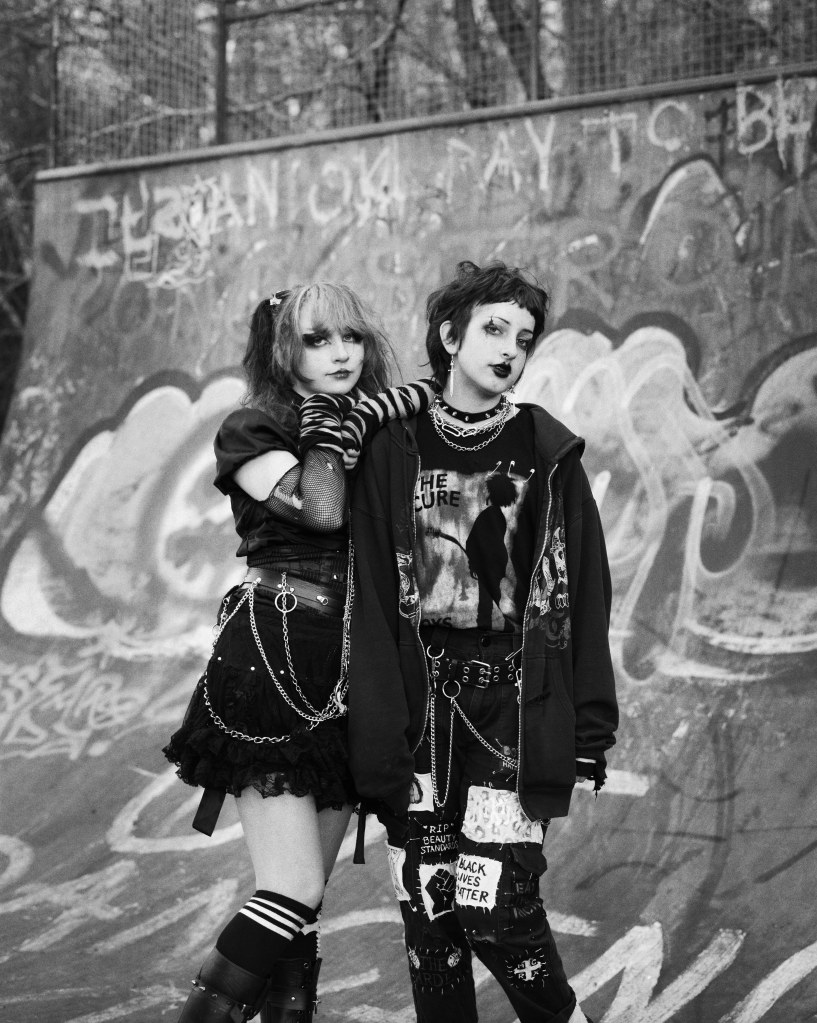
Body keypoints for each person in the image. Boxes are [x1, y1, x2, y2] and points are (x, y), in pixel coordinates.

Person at [347, 261, 618, 1023]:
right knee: (430, 925)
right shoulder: (393, 445)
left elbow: (579, 600)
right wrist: (374, 735)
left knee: (497, 908)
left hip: (509, 712)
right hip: (418, 717)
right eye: (493, 329)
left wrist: (586, 729)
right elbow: (368, 597)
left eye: (523, 338)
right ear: (449, 336)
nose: (508, 349)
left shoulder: (544, 449)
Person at [163, 282, 432, 1023]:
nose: (342, 352)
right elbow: (322, 510)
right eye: (318, 340)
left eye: (350, 336)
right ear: (282, 351)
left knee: (304, 903)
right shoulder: (251, 430)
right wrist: (327, 430)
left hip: (355, 667)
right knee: (291, 888)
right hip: (275, 655)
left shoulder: (366, 430)